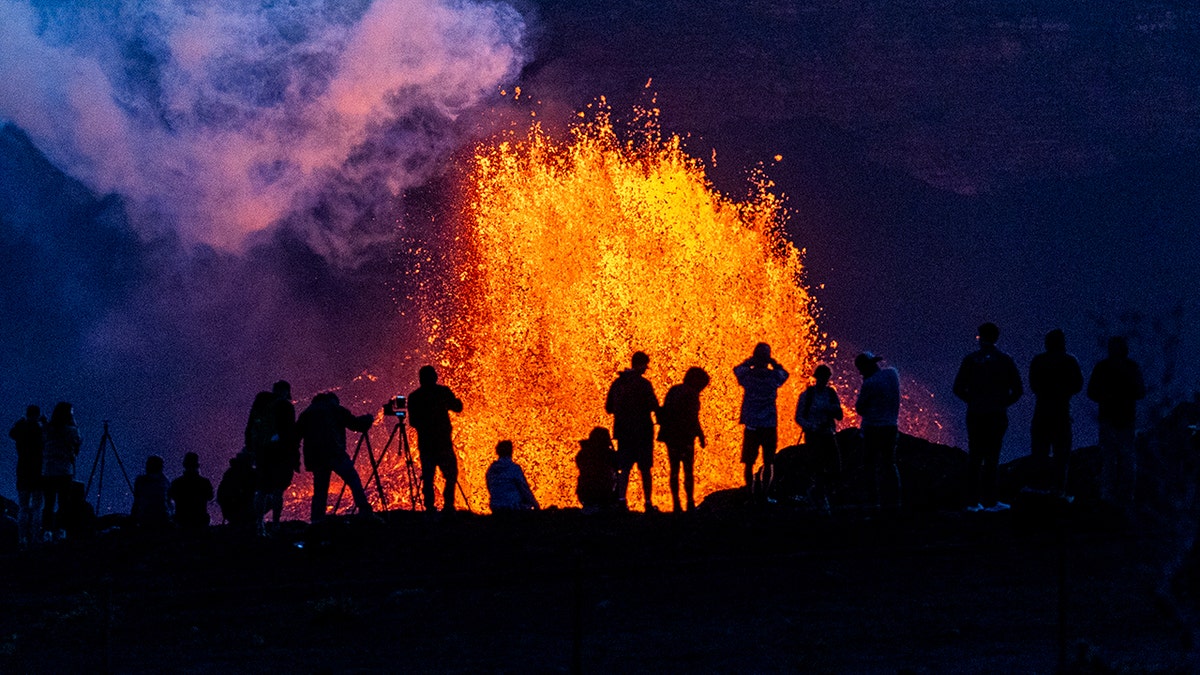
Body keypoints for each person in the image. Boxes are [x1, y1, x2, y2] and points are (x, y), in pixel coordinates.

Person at [954, 323, 1024, 512]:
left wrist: (973, 401)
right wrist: (1001, 403)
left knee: (975, 456)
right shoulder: (1005, 361)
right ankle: (990, 501)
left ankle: (972, 501)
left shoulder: (971, 360)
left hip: (976, 414)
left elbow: (957, 388)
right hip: (996, 415)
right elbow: (1018, 389)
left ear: (980, 337)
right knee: (992, 457)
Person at [298, 392, 376, 522]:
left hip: (316, 458)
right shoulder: (335, 408)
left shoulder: (307, 413)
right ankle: (365, 511)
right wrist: (368, 419)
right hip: (335, 453)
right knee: (353, 480)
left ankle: (317, 521)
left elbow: (296, 436)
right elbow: (355, 424)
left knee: (320, 490)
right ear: (333, 400)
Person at [1087, 336, 1146, 508]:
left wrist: (1106, 398)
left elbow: (1091, 392)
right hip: (1126, 418)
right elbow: (1141, 392)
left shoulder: (1102, 367)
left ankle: (1108, 495)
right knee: (1126, 458)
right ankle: (1126, 495)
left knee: (1109, 458)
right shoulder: (1131, 367)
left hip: (1108, 418)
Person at [1028, 329, 1084, 496]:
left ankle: (1039, 488)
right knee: (1061, 454)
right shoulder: (1069, 361)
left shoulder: (1039, 361)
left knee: (1040, 453)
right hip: (1061, 413)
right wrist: (1063, 392)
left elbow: (1033, 384)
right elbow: (1078, 385)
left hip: (1042, 412)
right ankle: (1058, 490)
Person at [606, 351, 660, 511]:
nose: (646, 369)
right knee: (645, 469)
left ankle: (622, 500)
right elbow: (654, 405)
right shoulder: (644, 384)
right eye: (645, 365)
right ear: (641, 364)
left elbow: (608, 408)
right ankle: (648, 503)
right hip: (643, 431)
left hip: (623, 432)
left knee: (625, 467)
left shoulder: (617, 384)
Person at [734, 343, 789, 502]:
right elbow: (784, 373)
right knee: (768, 461)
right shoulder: (773, 377)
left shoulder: (748, 377)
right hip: (769, 424)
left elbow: (737, 369)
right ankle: (765, 495)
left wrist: (750, 361)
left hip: (751, 424)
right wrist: (773, 362)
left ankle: (750, 494)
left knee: (749, 462)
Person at [407, 366, 465, 512]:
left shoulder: (414, 397)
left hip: (426, 443)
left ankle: (429, 507)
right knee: (451, 474)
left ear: (420, 379)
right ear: (435, 377)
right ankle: (448, 505)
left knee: (428, 476)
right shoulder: (442, 392)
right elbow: (458, 408)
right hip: (443, 442)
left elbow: (413, 422)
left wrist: (426, 425)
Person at [657, 367, 710, 512]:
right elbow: (693, 417)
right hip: (685, 437)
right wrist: (700, 435)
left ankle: (676, 504)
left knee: (674, 470)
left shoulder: (674, 390)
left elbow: (664, 410)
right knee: (688, 471)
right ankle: (690, 503)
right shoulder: (692, 394)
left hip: (671, 437)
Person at [855, 352, 901, 510]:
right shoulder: (892, 374)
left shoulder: (870, 383)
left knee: (869, 465)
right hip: (891, 426)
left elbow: (859, 408)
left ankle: (873, 501)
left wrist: (866, 382)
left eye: (861, 369)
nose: (860, 373)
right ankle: (894, 501)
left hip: (873, 428)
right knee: (890, 464)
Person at [795, 364, 844, 512]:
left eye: (826, 378)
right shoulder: (807, 395)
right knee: (818, 467)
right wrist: (812, 426)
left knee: (835, 467)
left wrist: (830, 409)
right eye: (822, 377)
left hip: (828, 434)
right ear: (817, 377)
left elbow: (839, 415)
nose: (824, 380)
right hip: (814, 436)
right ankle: (819, 497)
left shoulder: (831, 394)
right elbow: (799, 417)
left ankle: (817, 492)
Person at [257, 381, 299, 531]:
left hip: (263, 453)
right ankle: (275, 523)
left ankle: (259, 523)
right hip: (281, 454)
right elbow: (290, 433)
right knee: (277, 489)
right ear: (286, 392)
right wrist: (295, 457)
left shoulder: (263, 406)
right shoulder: (287, 407)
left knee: (262, 489)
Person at [41, 402, 81, 541]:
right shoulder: (72, 430)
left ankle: (47, 531)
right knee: (64, 503)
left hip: (48, 470)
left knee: (48, 503)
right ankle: (61, 530)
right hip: (65, 470)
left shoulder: (46, 429)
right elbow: (77, 446)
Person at [9, 405, 45, 548]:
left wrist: (21, 421)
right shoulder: (40, 430)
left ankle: (22, 538)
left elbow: (11, 433)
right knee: (37, 506)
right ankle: (36, 537)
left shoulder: (21, 430)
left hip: (23, 470)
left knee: (23, 507)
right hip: (38, 471)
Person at [485, 440, 539, 512]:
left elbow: (490, 488)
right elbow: (524, 489)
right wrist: (536, 506)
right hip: (512, 507)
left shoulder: (491, 470)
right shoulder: (513, 468)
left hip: (496, 507)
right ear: (511, 451)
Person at [576, 427, 618, 513]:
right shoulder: (607, 454)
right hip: (603, 492)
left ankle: (591, 506)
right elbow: (618, 465)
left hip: (584, 493)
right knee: (620, 476)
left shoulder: (582, 453)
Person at [170, 451, 214, 530]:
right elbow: (210, 497)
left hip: (182, 520)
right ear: (198, 465)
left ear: (184, 465)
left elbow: (171, 497)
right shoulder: (204, 482)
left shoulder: (177, 483)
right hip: (200, 520)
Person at [217, 451, 257, 530]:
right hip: (241, 511)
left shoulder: (229, 473)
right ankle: (250, 520)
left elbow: (220, 494)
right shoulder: (249, 474)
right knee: (268, 497)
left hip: (229, 512)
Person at [132, 455, 172, 529]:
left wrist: (133, 518)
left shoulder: (140, 481)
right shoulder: (164, 482)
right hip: (162, 518)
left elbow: (136, 502)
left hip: (145, 519)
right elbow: (169, 501)